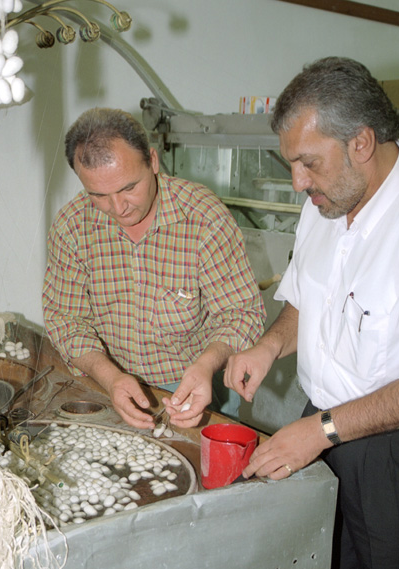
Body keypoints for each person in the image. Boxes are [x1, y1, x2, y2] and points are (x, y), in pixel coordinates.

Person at [224, 57, 399, 569]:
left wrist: (317, 431)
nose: (296, 181)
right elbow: (301, 302)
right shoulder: (326, 200)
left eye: (308, 161)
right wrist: (269, 345)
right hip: (324, 428)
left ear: (362, 142)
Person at [42, 108, 265, 430]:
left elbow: (241, 312)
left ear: (153, 161)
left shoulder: (203, 218)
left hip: (192, 384)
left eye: (129, 188)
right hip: (107, 382)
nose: (118, 208)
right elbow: (65, 318)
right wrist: (110, 378)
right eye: (99, 195)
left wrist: (205, 365)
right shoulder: (72, 226)